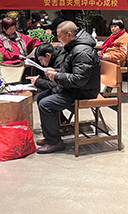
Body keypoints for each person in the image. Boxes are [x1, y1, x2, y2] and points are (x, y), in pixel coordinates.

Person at [36, 21, 100, 154]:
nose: (58, 40)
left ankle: (55, 142)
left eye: (59, 37)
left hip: (83, 91)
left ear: (69, 35)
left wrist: (57, 76)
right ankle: (50, 135)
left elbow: (79, 79)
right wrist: (55, 71)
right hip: (74, 88)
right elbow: (71, 71)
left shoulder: (82, 51)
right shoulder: (74, 47)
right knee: (42, 97)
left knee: (45, 104)